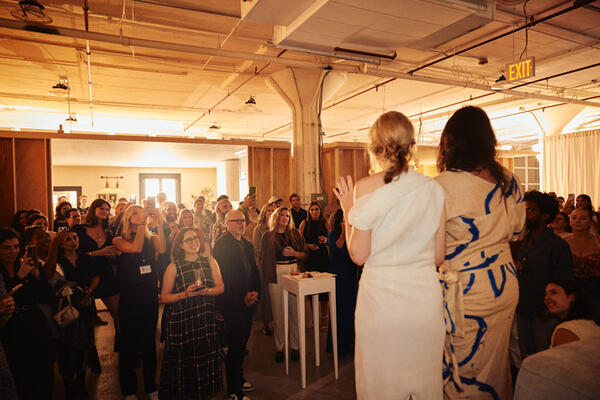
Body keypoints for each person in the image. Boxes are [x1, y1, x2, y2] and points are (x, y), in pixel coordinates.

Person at [335, 110, 445, 399]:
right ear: (411, 145)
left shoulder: (367, 186)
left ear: (374, 147)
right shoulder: (434, 189)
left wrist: (348, 210)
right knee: (424, 383)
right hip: (425, 303)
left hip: (382, 304)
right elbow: (438, 256)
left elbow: (358, 254)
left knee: (380, 385)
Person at [434, 106, 525, 399]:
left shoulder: (442, 186)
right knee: (498, 369)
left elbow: (431, 250)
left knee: (463, 373)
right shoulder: (508, 180)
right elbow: (518, 231)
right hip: (504, 284)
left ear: (450, 142)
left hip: (466, 292)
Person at [159, 227, 224, 399]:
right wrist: (184, 295)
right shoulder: (174, 267)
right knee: (184, 364)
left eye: (196, 238)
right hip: (182, 322)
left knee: (203, 362)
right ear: (180, 245)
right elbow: (164, 297)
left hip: (204, 319)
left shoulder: (210, 261)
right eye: (189, 239)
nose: (194, 241)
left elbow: (221, 287)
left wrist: (207, 291)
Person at [113, 205, 166, 400]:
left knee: (148, 342)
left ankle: (151, 386)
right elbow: (135, 248)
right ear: (128, 218)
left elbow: (162, 248)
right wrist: (144, 222)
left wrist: (157, 222)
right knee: (128, 343)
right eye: (134, 212)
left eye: (141, 211)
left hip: (149, 294)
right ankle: (129, 390)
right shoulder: (118, 240)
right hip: (129, 297)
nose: (139, 215)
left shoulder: (150, 234)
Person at [515, 191, 574, 357]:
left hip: (545, 316)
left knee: (547, 359)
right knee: (527, 360)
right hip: (523, 311)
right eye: (525, 210)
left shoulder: (557, 246)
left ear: (545, 216)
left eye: (531, 211)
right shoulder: (522, 243)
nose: (526, 215)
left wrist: (549, 309)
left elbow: (564, 282)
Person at [0, 227, 56, 400]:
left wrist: (37, 275)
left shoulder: (25, 264)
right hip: (12, 328)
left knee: (44, 374)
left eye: (16, 246)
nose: (13, 251)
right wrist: (19, 276)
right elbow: (6, 299)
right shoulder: (3, 273)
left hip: (35, 325)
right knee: (21, 377)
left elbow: (47, 296)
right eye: (7, 248)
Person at [214, 210, 261, 400]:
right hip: (232, 302)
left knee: (242, 344)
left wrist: (256, 291)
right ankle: (233, 391)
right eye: (237, 221)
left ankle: (238, 377)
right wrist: (242, 296)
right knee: (235, 345)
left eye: (243, 220)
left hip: (248, 302)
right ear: (227, 223)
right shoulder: (221, 245)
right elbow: (224, 277)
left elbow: (254, 271)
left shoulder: (247, 244)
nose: (242, 224)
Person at [46, 229, 98, 399]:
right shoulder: (57, 262)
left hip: (85, 304)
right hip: (66, 306)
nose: (73, 241)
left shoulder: (85, 257)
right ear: (61, 244)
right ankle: (68, 380)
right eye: (68, 239)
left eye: (75, 238)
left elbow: (96, 277)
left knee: (84, 343)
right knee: (68, 344)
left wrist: (88, 293)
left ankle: (81, 379)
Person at [260, 207, 307, 363]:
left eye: (287, 215)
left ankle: (295, 347)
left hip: (294, 270)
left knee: (295, 310)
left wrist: (294, 253)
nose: (285, 218)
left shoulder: (295, 234)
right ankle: (280, 347)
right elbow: (262, 259)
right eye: (282, 215)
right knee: (278, 311)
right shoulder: (267, 236)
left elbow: (305, 254)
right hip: (276, 272)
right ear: (276, 217)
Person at [72, 199, 120, 337]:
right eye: (101, 208)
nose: (105, 211)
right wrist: (97, 253)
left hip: (105, 273)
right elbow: (74, 254)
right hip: (86, 274)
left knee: (119, 312)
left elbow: (113, 256)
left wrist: (112, 255)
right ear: (93, 209)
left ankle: (123, 346)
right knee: (84, 318)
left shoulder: (109, 231)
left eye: (107, 209)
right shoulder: (80, 230)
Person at [325, 209, 359, 356]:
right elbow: (338, 246)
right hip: (339, 276)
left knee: (351, 310)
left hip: (351, 275)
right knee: (339, 310)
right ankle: (338, 346)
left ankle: (350, 343)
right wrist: (344, 232)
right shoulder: (332, 235)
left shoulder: (352, 235)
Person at [564, 207, 600, 321]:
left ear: (590, 222)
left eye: (583, 218)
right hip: (569, 292)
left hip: (595, 292)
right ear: (570, 221)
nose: (578, 221)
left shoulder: (598, 241)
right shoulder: (562, 242)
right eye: (574, 218)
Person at [299, 201, 330, 323]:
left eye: (317, 209)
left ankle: (323, 317)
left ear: (320, 211)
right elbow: (298, 241)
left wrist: (326, 240)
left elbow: (331, 237)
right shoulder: (305, 223)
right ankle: (314, 316)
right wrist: (308, 245)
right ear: (309, 211)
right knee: (311, 288)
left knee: (323, 287)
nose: (315, 212)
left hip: (323, 257)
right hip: (310, 258)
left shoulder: (325, 222)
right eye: (312, 209)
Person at [544, 279, 600, 347]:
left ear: (572, 297)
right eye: (545, 294)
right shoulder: (593, 326)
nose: (546, 298)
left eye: (553, 292)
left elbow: (561, 357)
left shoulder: (566, 330)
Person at [252, 203, 276, 336]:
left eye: (273, 211)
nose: (271, 213)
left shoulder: (278, 228)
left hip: (278, 265)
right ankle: (267, 324)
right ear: (264, 213)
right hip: (264, 265)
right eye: (269, 211)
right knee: (267, 297)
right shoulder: (259, 229)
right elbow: (256, 249)